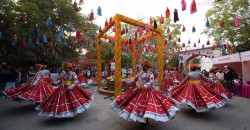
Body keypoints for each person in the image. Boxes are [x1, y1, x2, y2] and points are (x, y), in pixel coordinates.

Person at [110, 60, 179, 124]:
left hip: (147, 90)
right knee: (133, 102)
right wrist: (126, 81)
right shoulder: (140, 72)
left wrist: (145, 86)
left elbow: (151, 81)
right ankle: (137, 115)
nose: (143, 67)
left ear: (148, 67)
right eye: (142, 66)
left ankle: (145, 116)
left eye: (144, 66)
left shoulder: (150, 73)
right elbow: (134, 79)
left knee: (145, 104)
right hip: (137, 89)